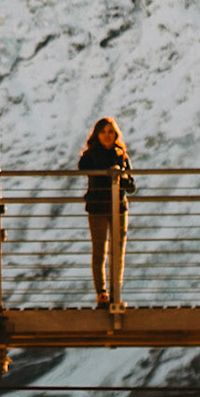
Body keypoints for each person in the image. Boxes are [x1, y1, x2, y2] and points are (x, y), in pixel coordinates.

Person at [77, 116, 134, 307]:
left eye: (110, 132)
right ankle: (102, 293)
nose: (107, 136)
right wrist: (109, 172)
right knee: (100, 251)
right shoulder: (89, 156)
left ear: (115, 134)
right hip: (99, 207)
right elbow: (83, 168)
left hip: (118, 207)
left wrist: (120, 174)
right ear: (97, 134)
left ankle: (115, 294)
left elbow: (132, 185)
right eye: (103, 132)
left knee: (117, 252)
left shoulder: (121, 155)